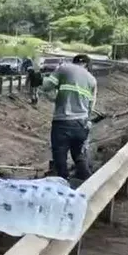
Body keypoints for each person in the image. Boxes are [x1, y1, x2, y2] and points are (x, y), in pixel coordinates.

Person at [42, 53, 97, 181]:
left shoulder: (65, 68)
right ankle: (88, 182)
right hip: (81, 124)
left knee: (60, 156)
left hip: (62, 122)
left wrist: (37, 79)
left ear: (75, 62)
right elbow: (91, 107)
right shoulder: (92, 80)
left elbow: (47, 86)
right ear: (87, 65)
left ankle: (62, 182)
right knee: (78, 155)